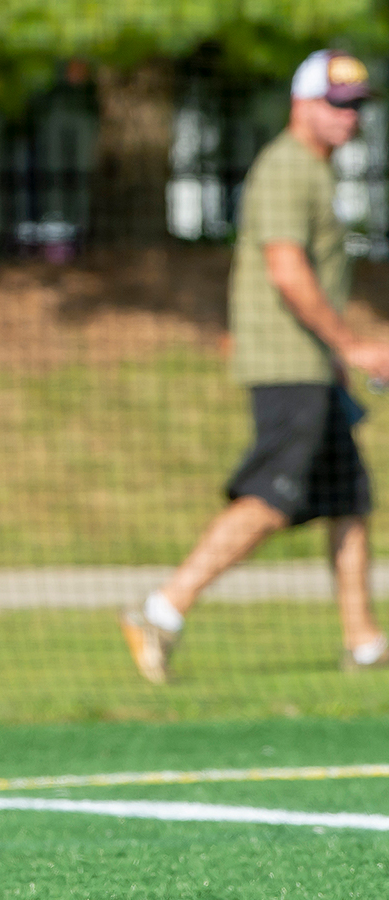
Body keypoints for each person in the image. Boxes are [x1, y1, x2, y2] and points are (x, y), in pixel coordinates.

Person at [121, 50, 389, 684]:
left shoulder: (317, 173)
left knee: (348, 503)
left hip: (315, 367)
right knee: (271, 498)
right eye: (337, 105)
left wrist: (338, 361)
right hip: (285, 365)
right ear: (302, 104)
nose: (349, 119)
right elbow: (286, 271)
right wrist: (350, 344)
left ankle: (364, 644)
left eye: (355, 108)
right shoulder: (286, 170)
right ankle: (161, 610)